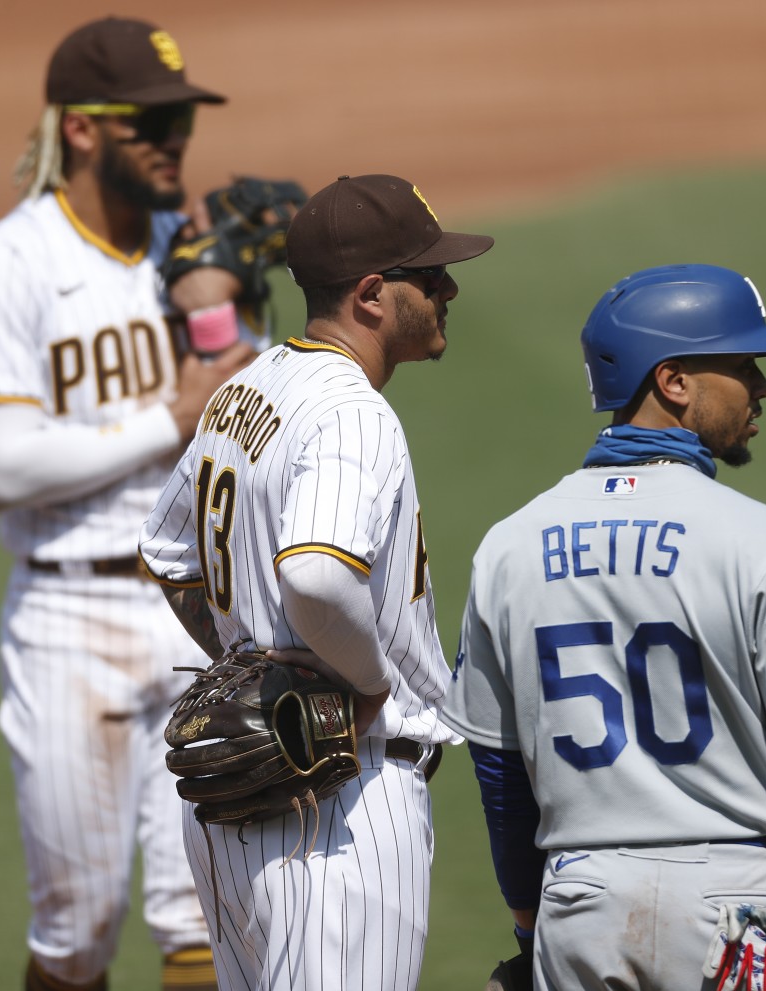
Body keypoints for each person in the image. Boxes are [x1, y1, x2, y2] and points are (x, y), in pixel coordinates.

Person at [443, 264, 766, 991]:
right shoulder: (762, 540)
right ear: (674, 381)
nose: (762, 387)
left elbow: (500, 774)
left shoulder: (509, 545)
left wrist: (533, 931)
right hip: (738, 906)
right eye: (742, 365)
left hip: (581, 907)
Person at [0, 17, 257, 991]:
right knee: (78, 927)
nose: (173, 142)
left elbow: (232, 410)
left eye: (180, 123)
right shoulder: (7, 263)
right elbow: (5, 465)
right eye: (147, 123)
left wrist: (237, 315)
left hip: (194, 611)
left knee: (204, 907)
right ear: (80, 129)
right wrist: (172, 414)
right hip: (69, 618)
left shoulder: (191, 252)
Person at [138, 174, 494, 991]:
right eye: (429, 276)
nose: (449, 289)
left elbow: (165, 553)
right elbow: (316, 572)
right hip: (339, 807)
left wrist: (249, 660)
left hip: (240, 812)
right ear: (372, 294)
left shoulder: (246, 389)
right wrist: (365, 682)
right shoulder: (352, 413)